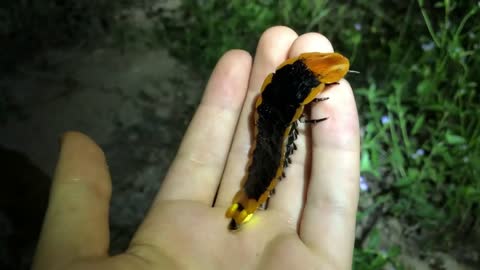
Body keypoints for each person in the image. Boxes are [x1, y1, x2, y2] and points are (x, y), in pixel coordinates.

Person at [32, 26, 360, 270]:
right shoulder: (284, 94)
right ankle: (246, 203)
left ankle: (246, 203)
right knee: (269, 150)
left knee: (270, 147)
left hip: (274, 129)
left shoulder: (288, 93)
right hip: (270, 140)